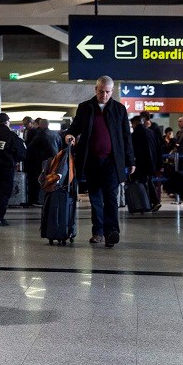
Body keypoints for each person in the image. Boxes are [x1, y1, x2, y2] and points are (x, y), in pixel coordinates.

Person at [65, 76, 135, 248]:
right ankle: (98, 231)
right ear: (96, 89)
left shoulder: (119, 109)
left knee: (111, 196)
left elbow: (126, 136)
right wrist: (69, 135)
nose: (104, 95)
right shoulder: (85, 108)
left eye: (108, 92)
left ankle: (112, 231)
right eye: (101, 91)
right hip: (91, 160)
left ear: (112, 91)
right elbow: (75, 128)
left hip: (111, 160)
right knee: (95, 197)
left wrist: (130, 159)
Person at [130, 116, 162, 212]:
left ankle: (145, 204)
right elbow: (158, 148)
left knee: (141, 183)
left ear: (135, 123)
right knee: (148, 181)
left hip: (140, 163)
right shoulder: (151, 132)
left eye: (132, 124)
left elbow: (133, 150)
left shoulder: (135, 134)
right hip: (152, 163)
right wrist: (160, 164)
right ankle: (152, 202)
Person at [26, 118, 62, 205]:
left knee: (40, 180)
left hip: (41, 162)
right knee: (51, 180)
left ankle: (38, 200)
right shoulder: (56, 134)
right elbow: (60, 148)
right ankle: (51, 198)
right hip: (54, 161)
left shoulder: (39, 135)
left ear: (40, 125)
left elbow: (30, 147)